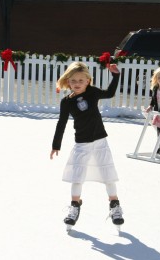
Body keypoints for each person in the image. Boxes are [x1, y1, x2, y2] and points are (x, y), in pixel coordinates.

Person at [50, 61, 124, 229]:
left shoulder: (92, 93)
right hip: (81, 144)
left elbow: (110, 93)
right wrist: (56, 145)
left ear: (88, 81)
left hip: (100, 141)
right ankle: (74, 208)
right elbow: (61, 123)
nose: (77, 84)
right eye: (73, 81)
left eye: (80, 81)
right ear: (68, 81)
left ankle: (114, 206)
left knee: (108, 174)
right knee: (77, 176)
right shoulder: (66, 102)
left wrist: (116, 76)